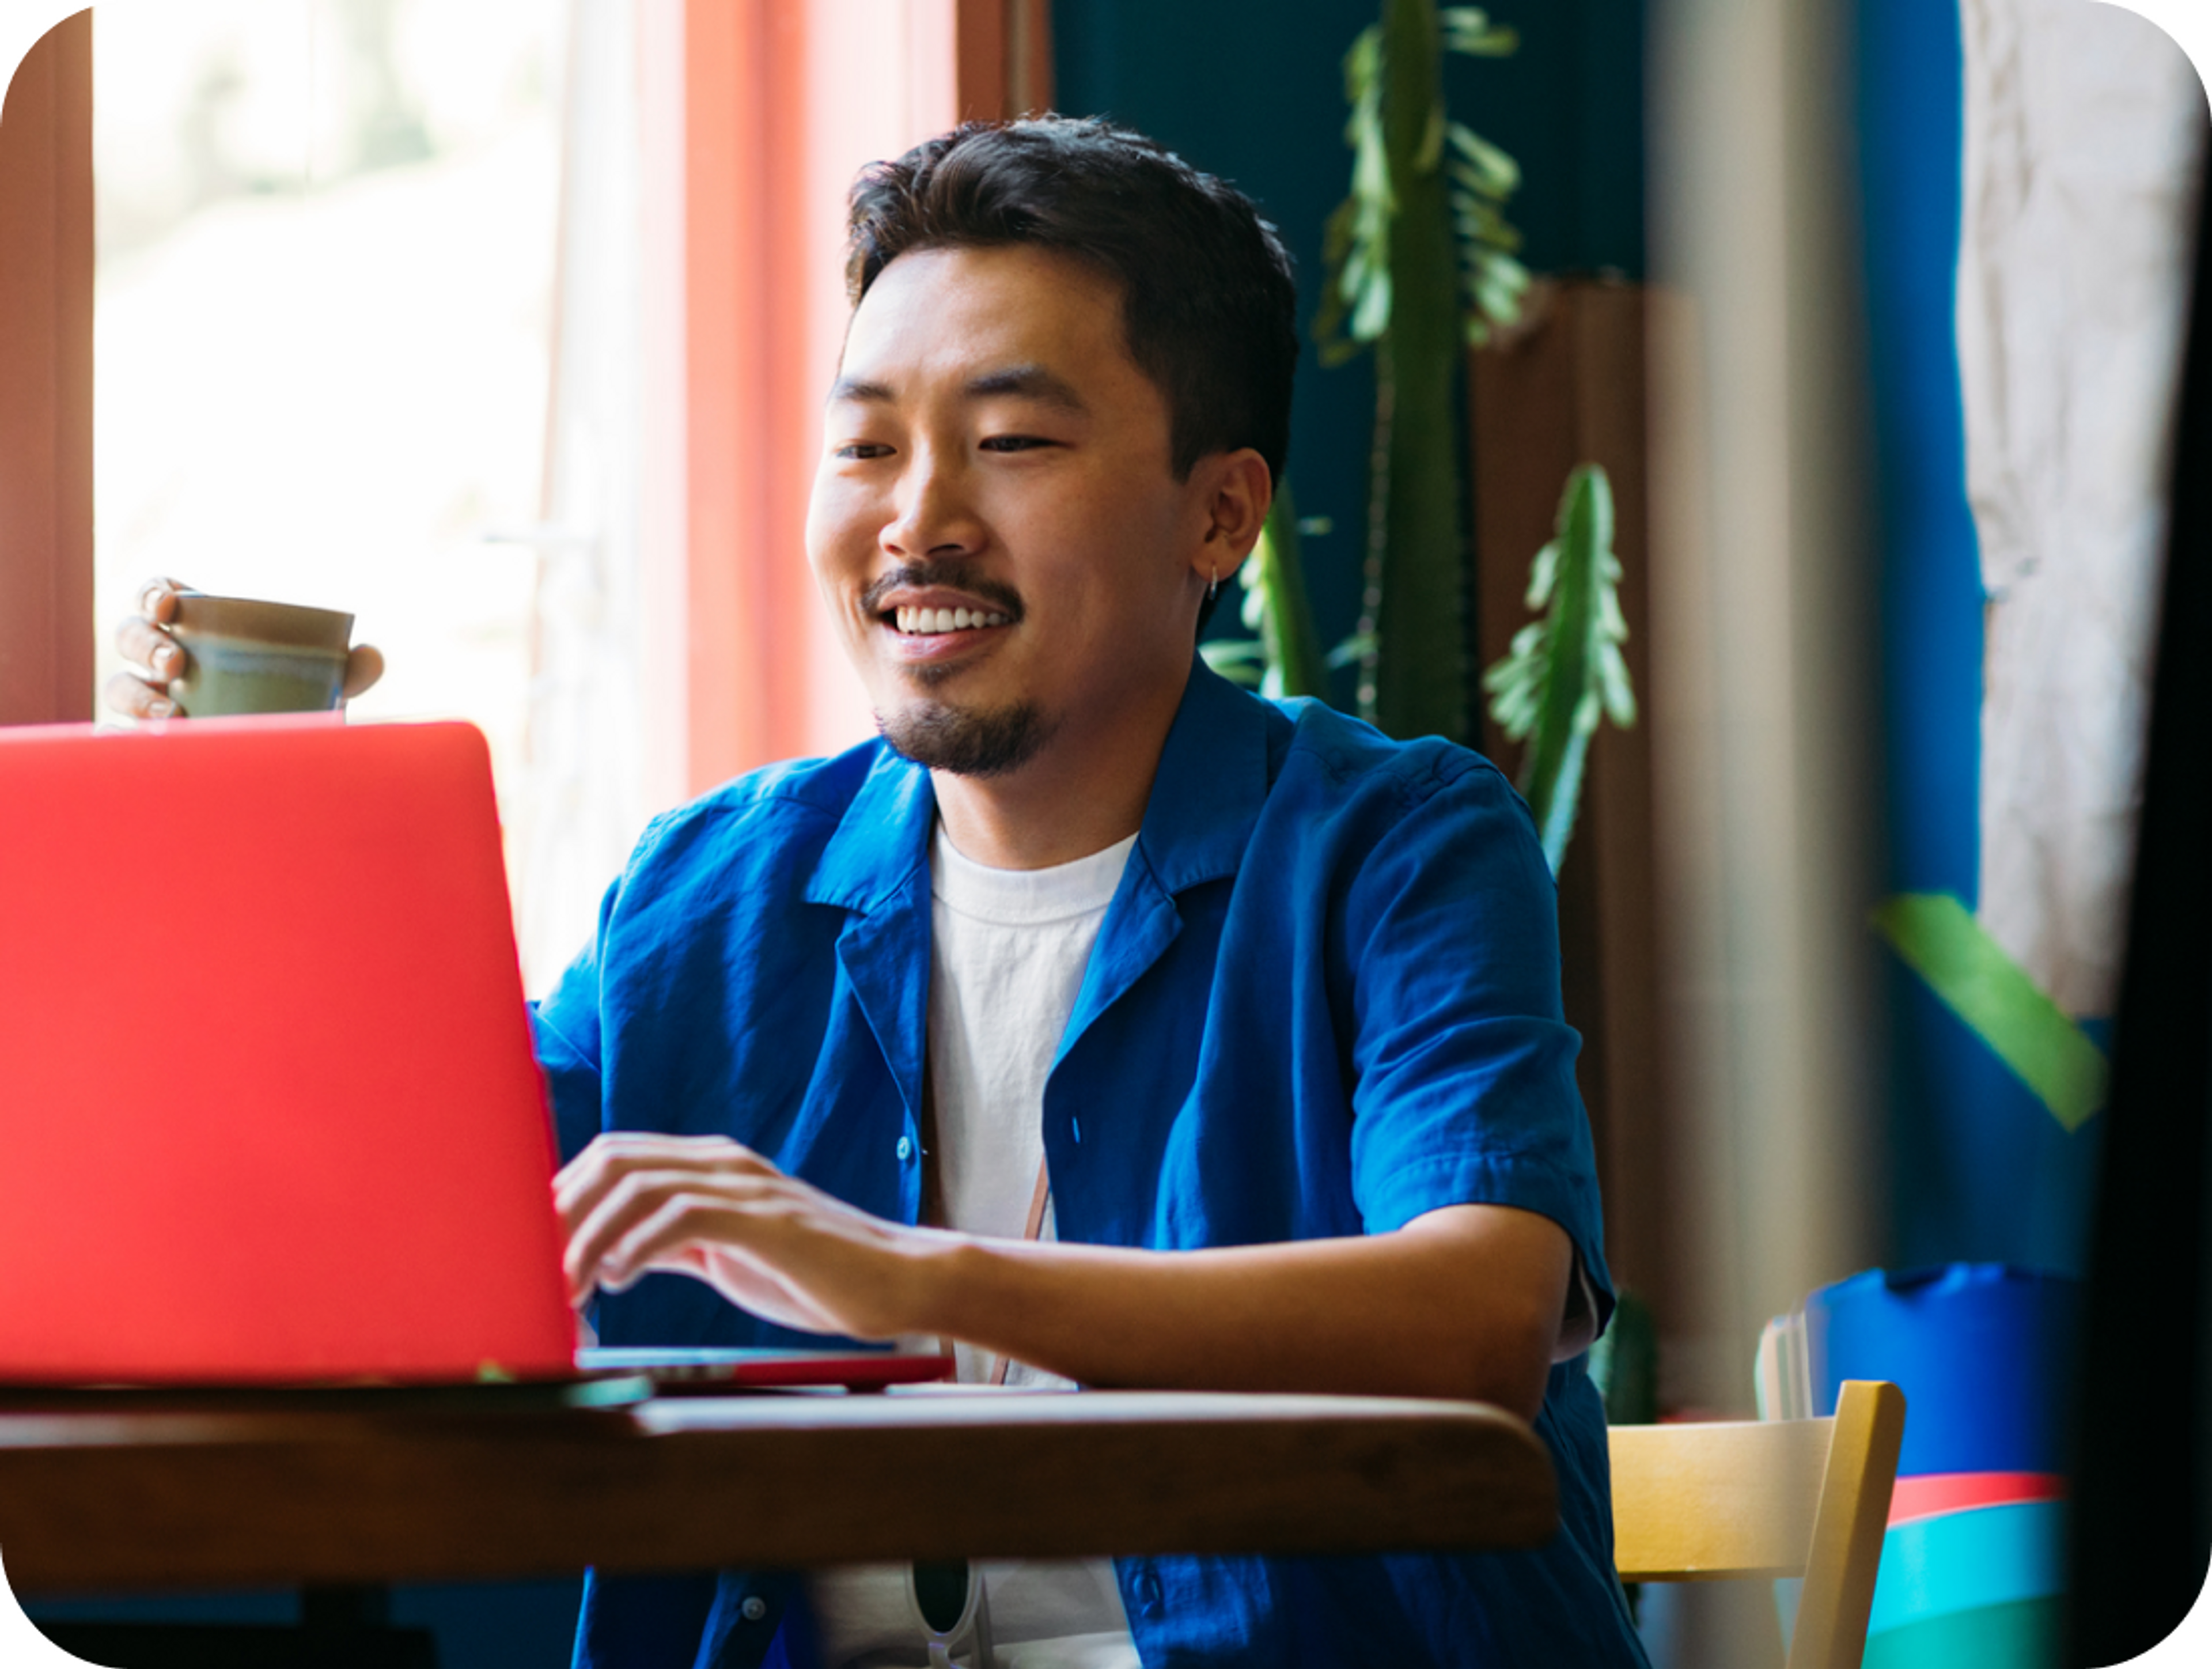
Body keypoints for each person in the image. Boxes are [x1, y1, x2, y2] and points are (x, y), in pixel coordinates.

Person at [112, 118, 1646, 1669]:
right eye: (866, 445)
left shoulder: (1398, 850)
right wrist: (244, 839)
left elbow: (1476, 1320)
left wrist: (891, 1269)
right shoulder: (700, 903)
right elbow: (385, 1196)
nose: (917, 516)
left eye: (1014, 440)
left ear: (1221, 516)